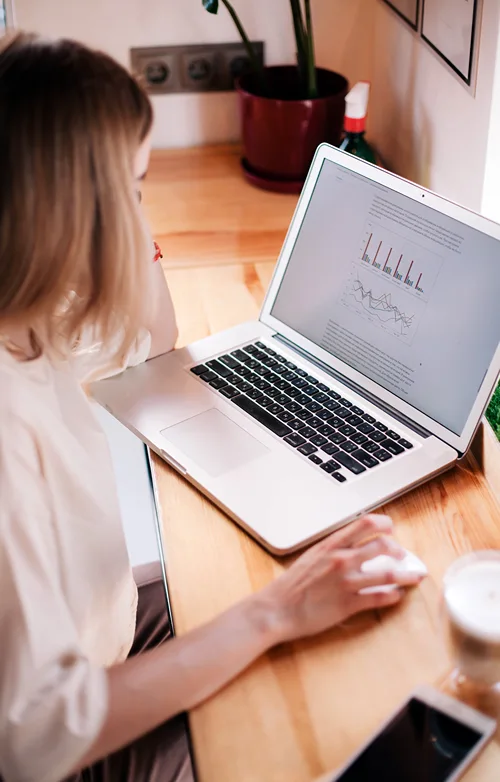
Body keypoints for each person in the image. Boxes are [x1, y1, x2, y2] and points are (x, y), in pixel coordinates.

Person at [0, 31, 424, 782]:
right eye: (132, 190)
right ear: (72, 215)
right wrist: (273, 615)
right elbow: (33, 739)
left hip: (101, 630)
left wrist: (130, 233)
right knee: (310, 727)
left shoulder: (28, 323)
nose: (145, 211)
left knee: (267, 585)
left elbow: (146, 338)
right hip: (61, 747)